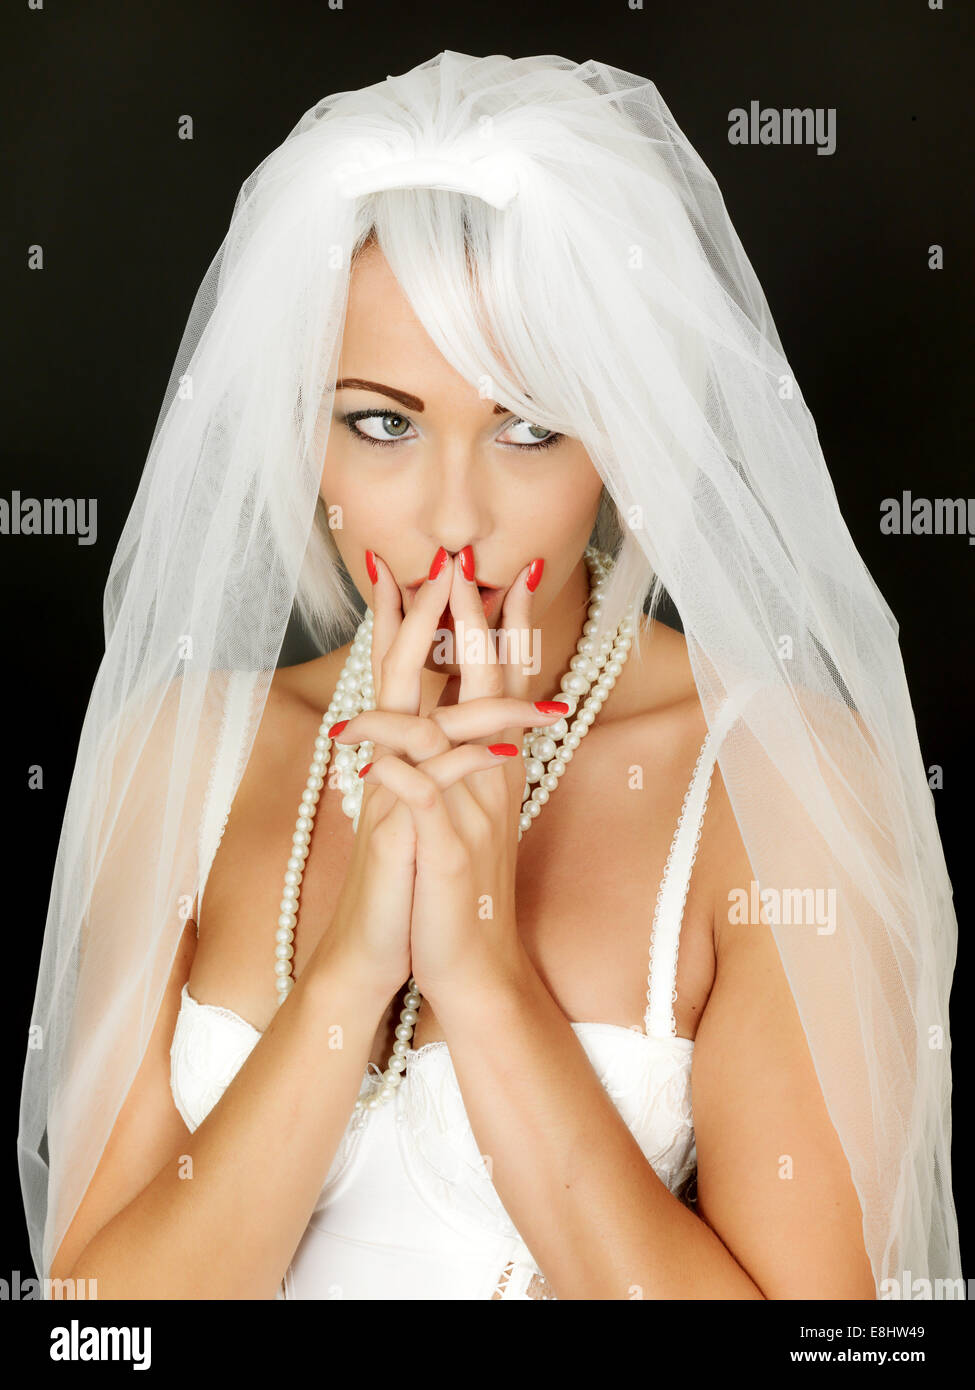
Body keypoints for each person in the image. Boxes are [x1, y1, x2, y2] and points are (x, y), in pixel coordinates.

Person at [20, 50, 960, 1300]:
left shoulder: (777, 780)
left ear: (625, 433)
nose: (454, 514)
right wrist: (356, 966)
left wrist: (482, 970)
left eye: (528, 425)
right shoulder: (178, 751)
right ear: (301, 432)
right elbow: (94, 1333)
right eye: (382, 422)